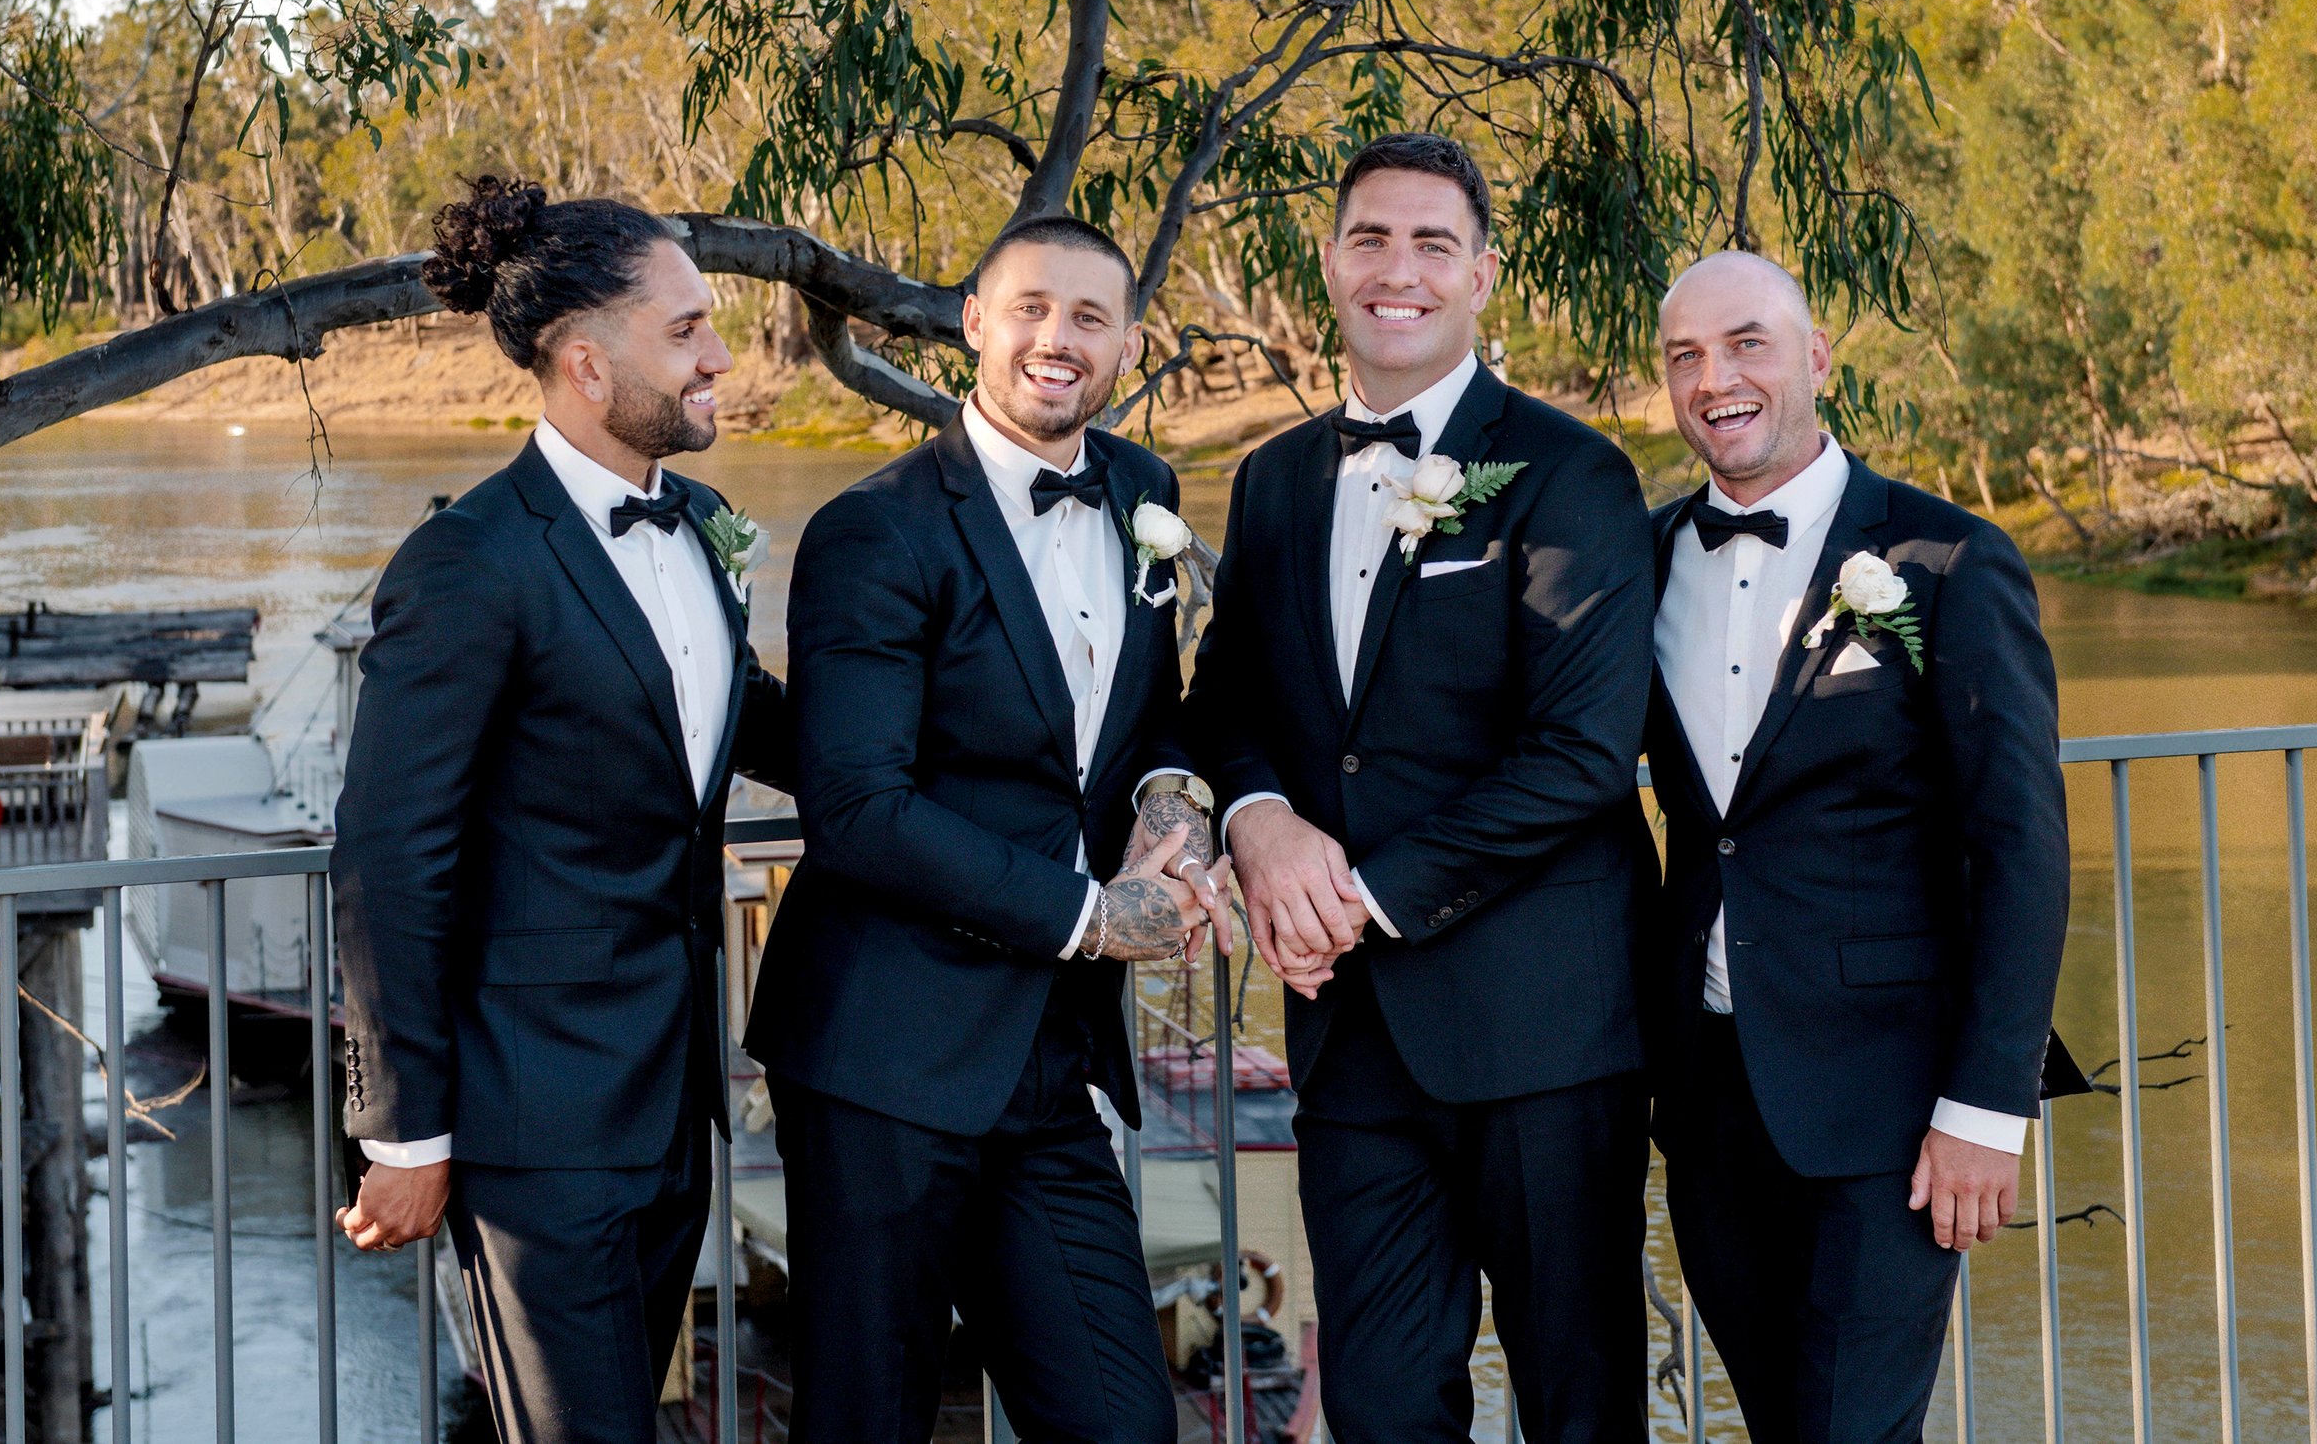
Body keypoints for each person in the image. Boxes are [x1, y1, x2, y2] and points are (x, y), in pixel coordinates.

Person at [1187, 133, 1656, 1441]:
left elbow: (1581, 751)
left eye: (1432, 243)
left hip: (1543, 1035)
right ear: (1330, 262)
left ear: (1482, 276)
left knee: (1578, 1406)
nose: (1399, 270)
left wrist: (1357, 898)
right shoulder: (1273, 480)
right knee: (1382, 1406)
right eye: (1371, 239)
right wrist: (1257, 820)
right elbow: (1226, 701)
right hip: (1352, 1047)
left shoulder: (1573, 474)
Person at [743, 216, 1224, 1443]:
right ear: (972, 322)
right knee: (868, 1418)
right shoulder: (876, 527)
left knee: (1123, 1422)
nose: (1057, 339)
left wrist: (1171, 798)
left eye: (1089, 317)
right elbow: (857, 808)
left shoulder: (1143, 490)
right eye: (1030, 308)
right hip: (882, 1054)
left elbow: (1140, 718)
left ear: (1127, 343)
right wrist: (1096, 916)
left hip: (1049, 1060)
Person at [329, 177, 794, 1444]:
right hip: (532, 1122)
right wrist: (403, 1133)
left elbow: (742, 717)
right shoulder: (469, 561)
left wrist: (962, 765)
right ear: (586, 362)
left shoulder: (702, 523)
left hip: (672, 1102)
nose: (719, 355)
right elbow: (386, 855)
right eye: (686, 330)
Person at [1642, 250, 2069, 1443]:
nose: (1715, 378)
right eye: (1684, 356)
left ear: (1818, 358)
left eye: (1747, 343)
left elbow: (2021, 844)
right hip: (1709, 1092)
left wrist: (1986, 1105)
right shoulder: (1643, 556)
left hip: (1892, 1101)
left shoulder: (1946, 558)